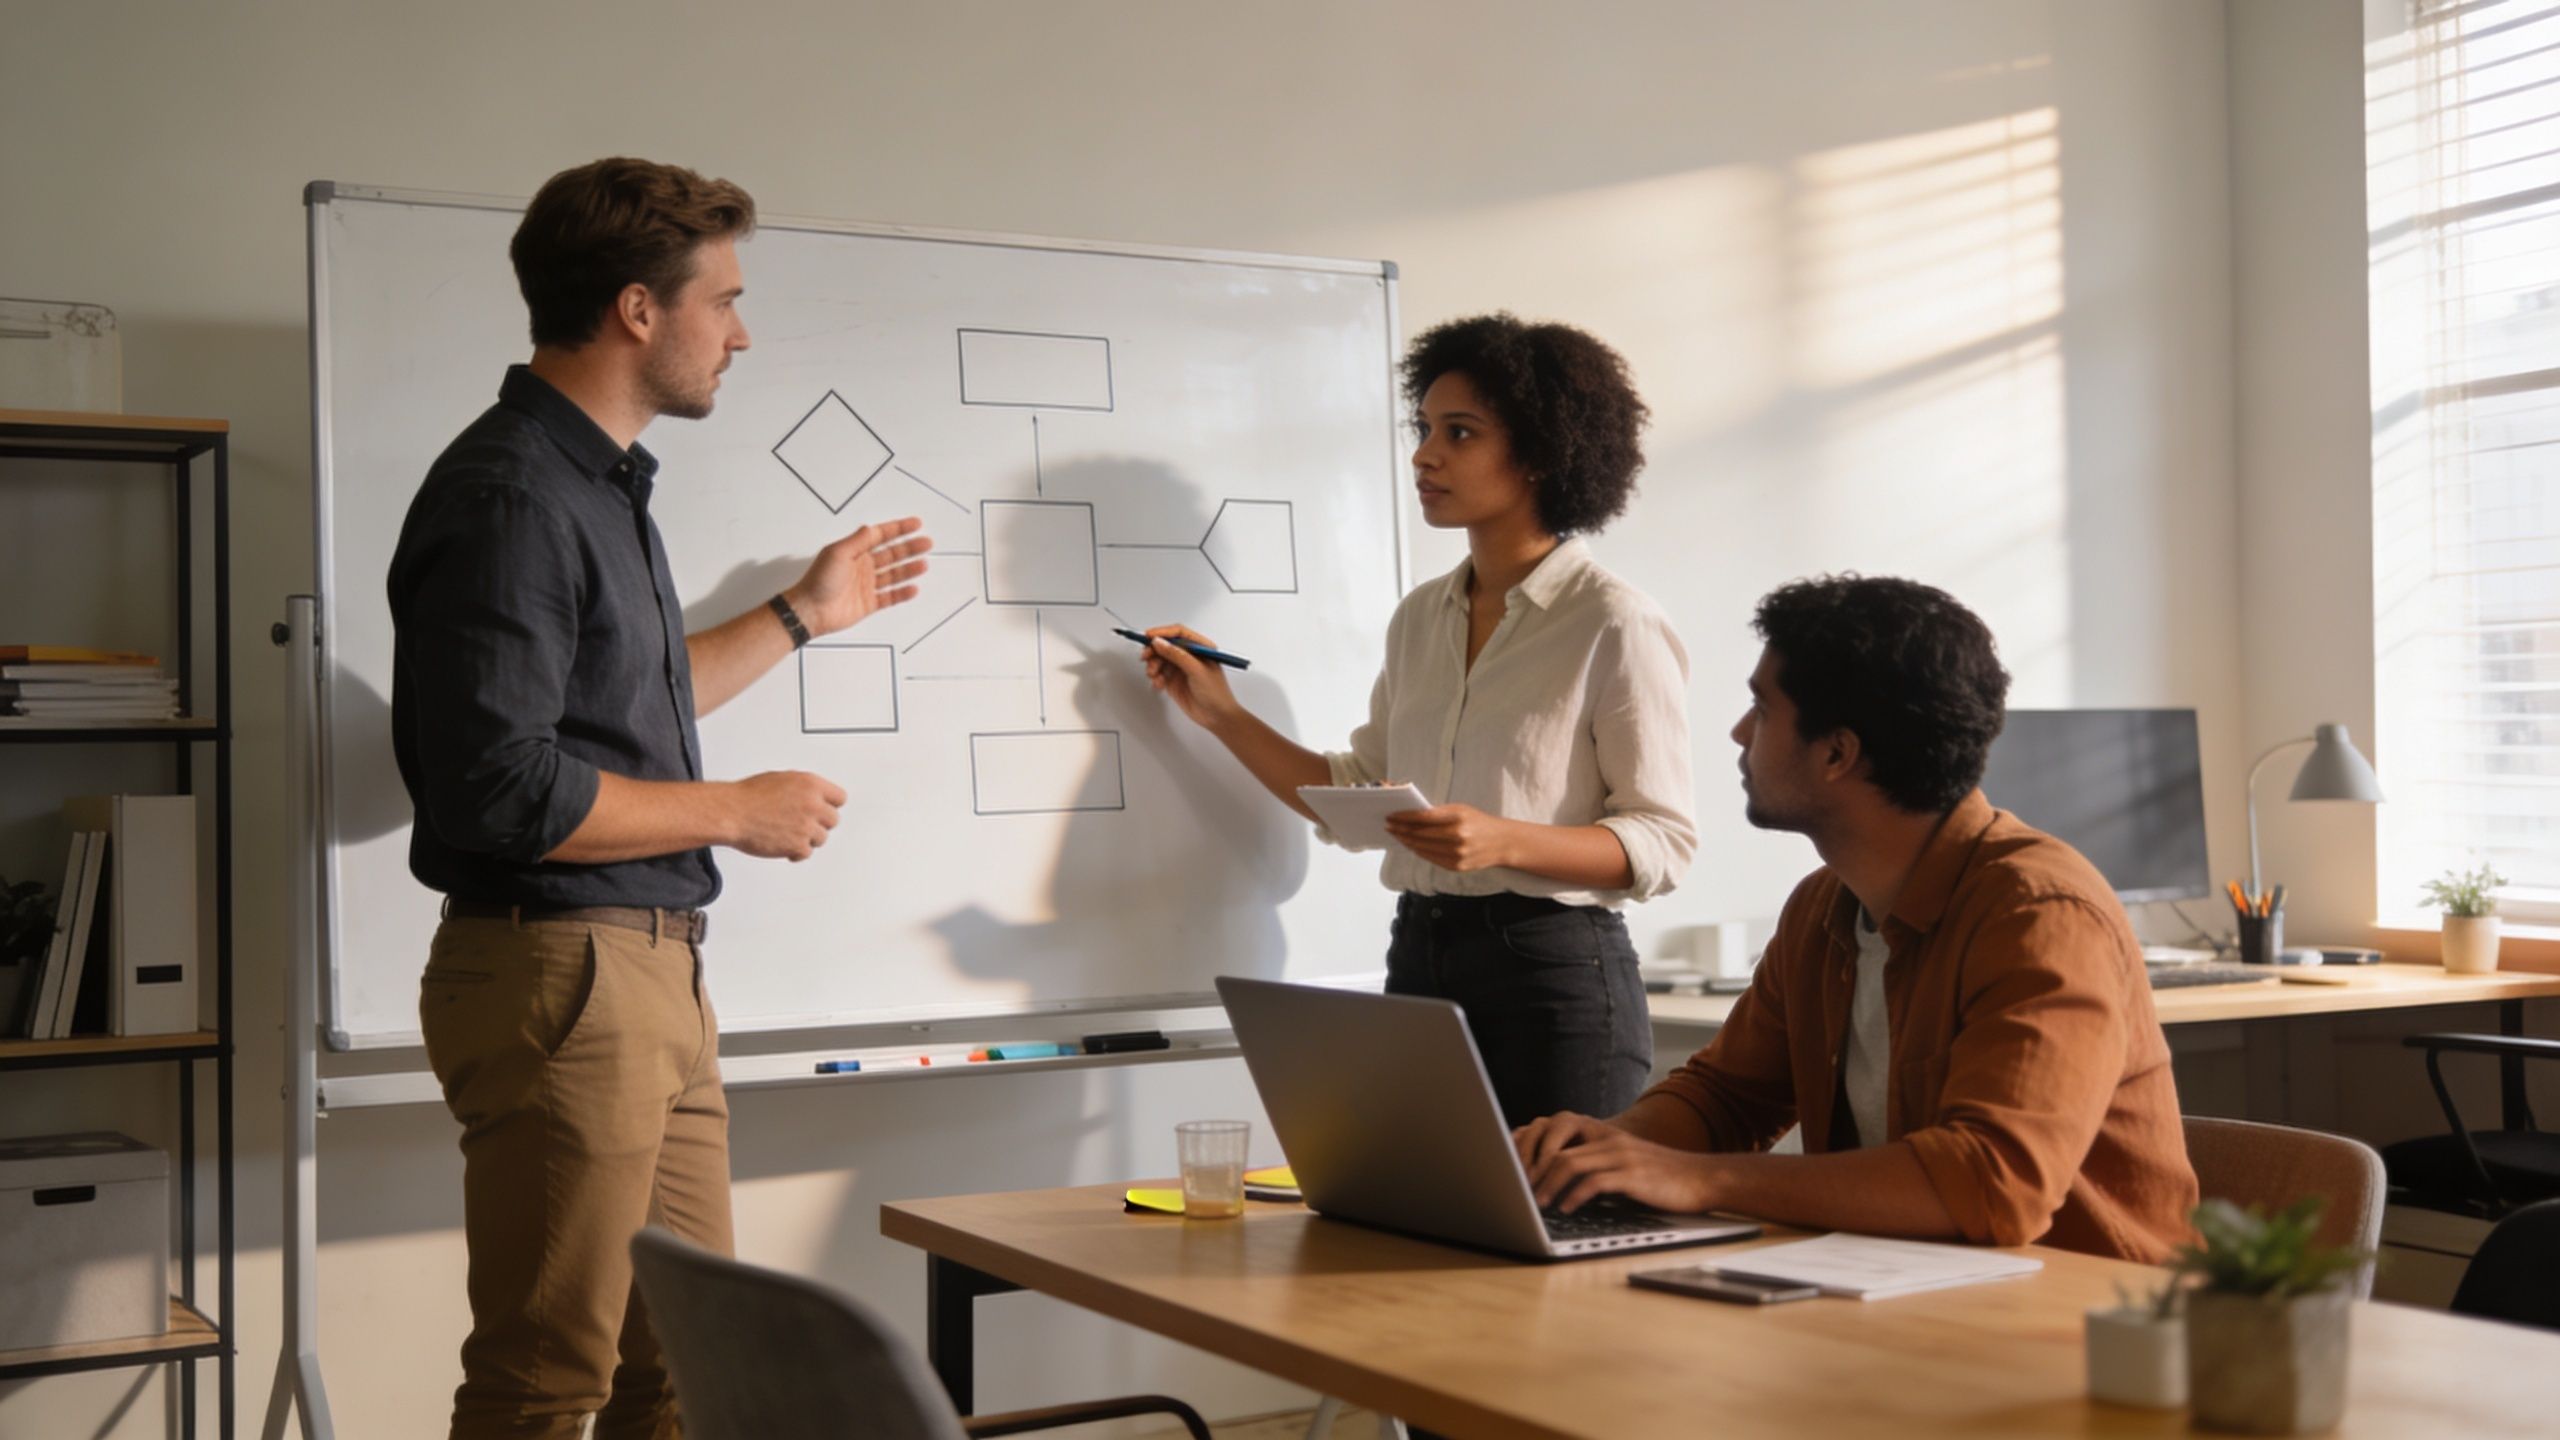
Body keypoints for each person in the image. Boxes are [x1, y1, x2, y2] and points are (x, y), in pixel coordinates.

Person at [387, 156, 932, 1439]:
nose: (739, 333)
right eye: (723, 300)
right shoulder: (515, 493)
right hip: (566, 975)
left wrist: (803, 613)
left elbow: (633, 697)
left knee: (692, 1363)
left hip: (648, 978)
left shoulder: (596, 486)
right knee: (543, 1379)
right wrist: (734, 811)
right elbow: (500, 788)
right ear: (639, 309)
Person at [1514, 575, 2199, 1261]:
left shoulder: (2039, 914)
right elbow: (1729, 1097)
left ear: (1838, 753)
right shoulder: (1823, 907)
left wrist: (1697, 1179)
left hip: (2086, 1326)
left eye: (1761, 707)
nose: (1739, 731)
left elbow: (1994, 1185)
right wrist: (1608, 1148)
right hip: (1903, 1288)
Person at [1143, 313, 1696, 1126]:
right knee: (1421, 1227)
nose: (1424, 455)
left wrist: (1506, 840)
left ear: (1543, 452)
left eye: (1460, 433)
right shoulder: (1419, 618)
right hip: (1421, 954)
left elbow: (1663, 838)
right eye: (1425, 427)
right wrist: (1222, 715)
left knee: (1561, 1239)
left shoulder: (1613, 620)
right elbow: (1361, 792)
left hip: (1553, 970)